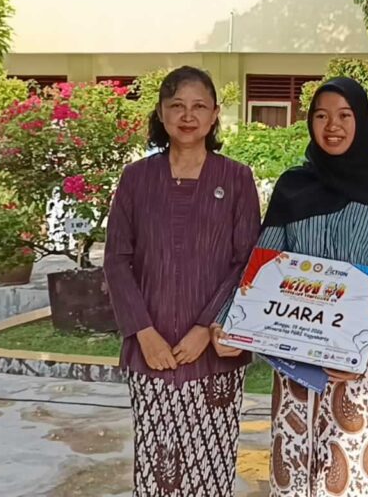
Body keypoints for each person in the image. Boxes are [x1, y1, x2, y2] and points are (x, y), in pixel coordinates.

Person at [215, 77, 368, 497]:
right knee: (292, 467)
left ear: (361, 120)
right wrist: (229, 323)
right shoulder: (294, 186)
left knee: (349, 473)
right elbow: (263, 265)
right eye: (321, 116)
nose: (332, 126)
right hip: (295, 357)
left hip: (357, 361)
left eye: (344, 115)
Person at [105, 66, 261, 496]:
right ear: (161, 113)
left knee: (210, 472)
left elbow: (247, 262)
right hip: (151, 354)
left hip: (215, 353)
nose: (188, 116)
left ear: (215, 115)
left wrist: (205, 328)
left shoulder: (236, 179)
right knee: (159, 473)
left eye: (198, 106)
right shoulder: (136, 179)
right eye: (177, 106)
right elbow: (116, 260)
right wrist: (144, 332)